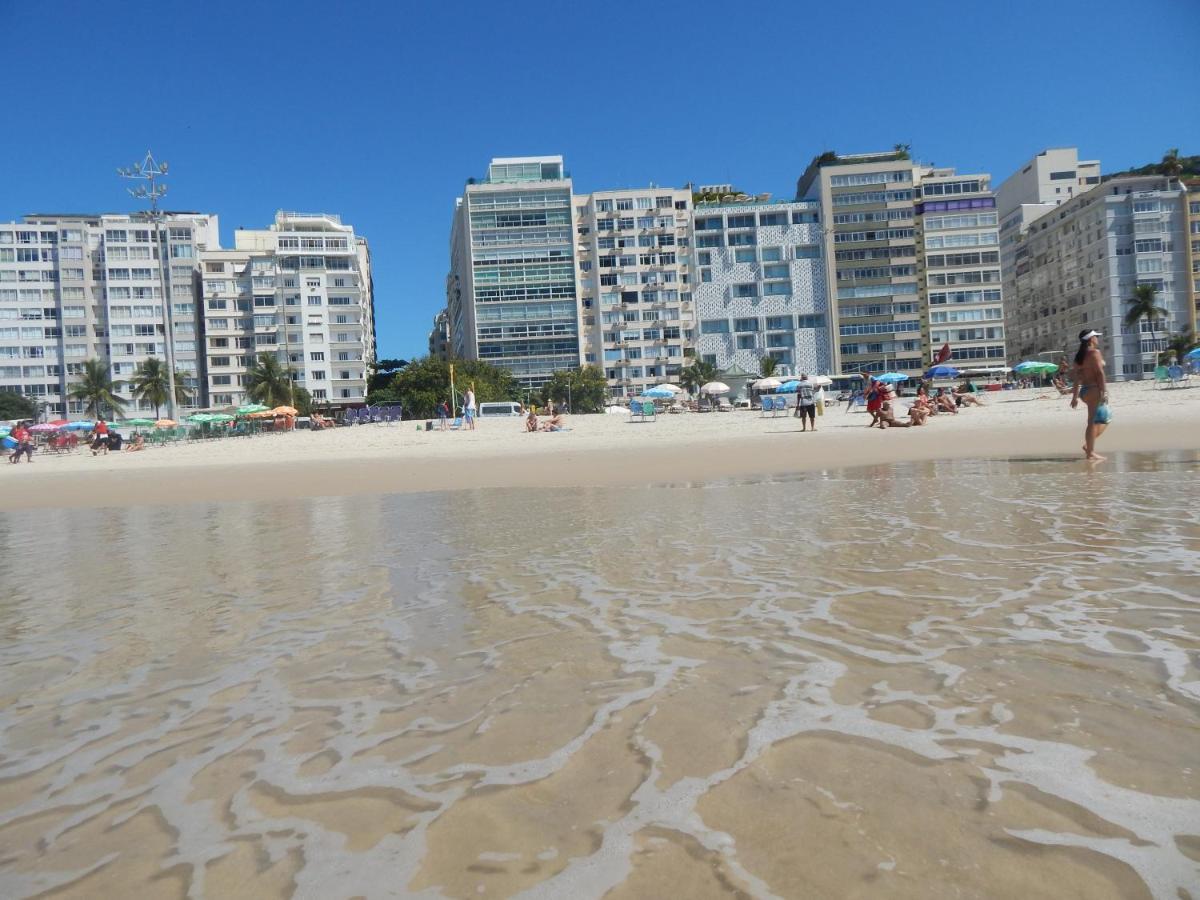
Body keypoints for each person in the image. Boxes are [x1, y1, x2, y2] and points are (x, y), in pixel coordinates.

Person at [1070, 329, 1109, 461]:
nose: (1097, 338)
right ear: (1091, 339)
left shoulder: (1079, 357)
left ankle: (1089, 447)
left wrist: (1075, 397)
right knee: (1094, 421)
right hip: (1094, 390)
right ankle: (1090, 451)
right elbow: (1099, 373)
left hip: (1084, 391)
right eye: (1096, 336)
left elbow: (1076, 378)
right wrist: (1104, 391)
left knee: (1102, 417)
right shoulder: (1094, 353)